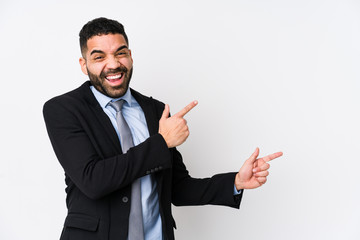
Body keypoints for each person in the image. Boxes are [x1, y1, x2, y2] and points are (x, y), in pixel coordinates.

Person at [43, 17, 283, 240]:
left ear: (131, 56)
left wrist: (236, 182)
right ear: (83, 65)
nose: (114, 64)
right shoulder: (63, 110)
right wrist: (161, 142)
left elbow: (177, 188)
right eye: (99, 57)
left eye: (120, 53)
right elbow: (93, 181)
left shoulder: (156, 111)